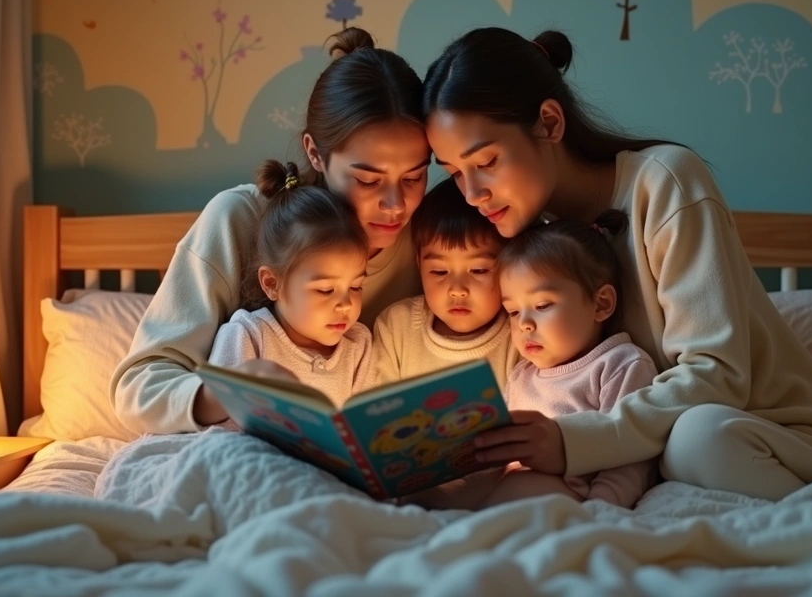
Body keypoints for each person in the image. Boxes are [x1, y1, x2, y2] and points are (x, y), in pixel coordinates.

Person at [420, 26, 812, 502]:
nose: (472, 193)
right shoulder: (530, 247)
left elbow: (715, 374)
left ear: (549, 123)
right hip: (660, 458)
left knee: (696, 437)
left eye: (485, 161)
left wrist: (572, 441)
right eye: (456, 173)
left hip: (779, 435)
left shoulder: (665, 183)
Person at [110, 27, 430, 435]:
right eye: (368, 180)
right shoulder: (239, 220)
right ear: (315, 151)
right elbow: (139, 385)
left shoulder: (432, 243)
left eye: (415, 177)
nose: (396, 205)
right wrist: (228, 394)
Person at [488, 213, 658, 508]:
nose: (524, 324)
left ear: (601, 303)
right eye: (513, 312)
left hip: (567, 501)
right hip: (508, 494)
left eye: (542, 305)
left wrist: (602, 509)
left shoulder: (620, 365)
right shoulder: (521, 376)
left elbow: (630, 459)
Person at [206, 161, 373, 408]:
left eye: (356, 286)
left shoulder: (358, 346)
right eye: (325, 290)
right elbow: (224, 426)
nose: (346, 305)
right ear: (272, 283)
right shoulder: (248, 336)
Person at [369, 179, 519, 393]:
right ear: (419, 264)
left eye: (478, 270)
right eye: (439, 271)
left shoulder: (520, 336)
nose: (457, 289)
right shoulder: (396, 328)